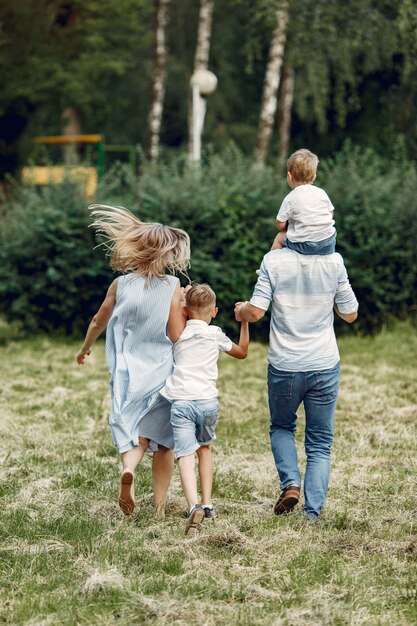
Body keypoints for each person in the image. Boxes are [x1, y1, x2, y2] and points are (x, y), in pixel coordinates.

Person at [76, 204, 190, 518]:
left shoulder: (120, 284)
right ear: (167, 253)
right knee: (164, 441)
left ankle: (129, 468)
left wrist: (85, 348)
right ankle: (160, 508)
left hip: (127, 371)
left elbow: (99, 319)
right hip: (161, 370)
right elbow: (175, 333)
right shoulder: (172, 286)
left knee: (132, 433)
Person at [235, 246, 358, 522]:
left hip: (285, 365)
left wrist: (241, 310)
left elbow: (254, 313)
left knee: (281, 427)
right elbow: (350, 314)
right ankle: (311, 514)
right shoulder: (334, 262)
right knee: (320, 442)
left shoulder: (273, 261)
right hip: (324, 364)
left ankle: (291, 484)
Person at [160, 283, 249, 536]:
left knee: (184, 455)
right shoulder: (216, 333)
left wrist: (180, 297)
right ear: (215, 311)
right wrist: (244, 323)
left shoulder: (178, 332)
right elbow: (242, 352)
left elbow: (174, 311)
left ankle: (193, 506)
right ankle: (208, 504)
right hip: (208, 401)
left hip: (182, 401)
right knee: (205, 448)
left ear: (185, 311)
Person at [271, 148, 336, 256]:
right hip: (327, 243)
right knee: (330, 232)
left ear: (289, 176)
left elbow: (279, 224)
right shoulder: (322, 193)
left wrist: (289, 227)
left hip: (305, 245)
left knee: (279, 237)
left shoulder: (290, 198)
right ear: (314, 176)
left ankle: (270, 265)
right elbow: (330, 214)